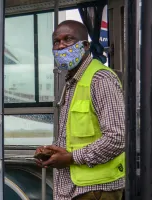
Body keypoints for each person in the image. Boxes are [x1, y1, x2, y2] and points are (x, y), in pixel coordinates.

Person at [35, 20, 125, 200]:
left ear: (85, 46)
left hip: (98, 189)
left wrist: (70, 158)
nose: (61, 46)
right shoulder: (73, 81)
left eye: (68, 40)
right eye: (56, 42)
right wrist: (52, 153)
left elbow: (117, 137)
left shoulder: (100, 79)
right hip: (77, 188)